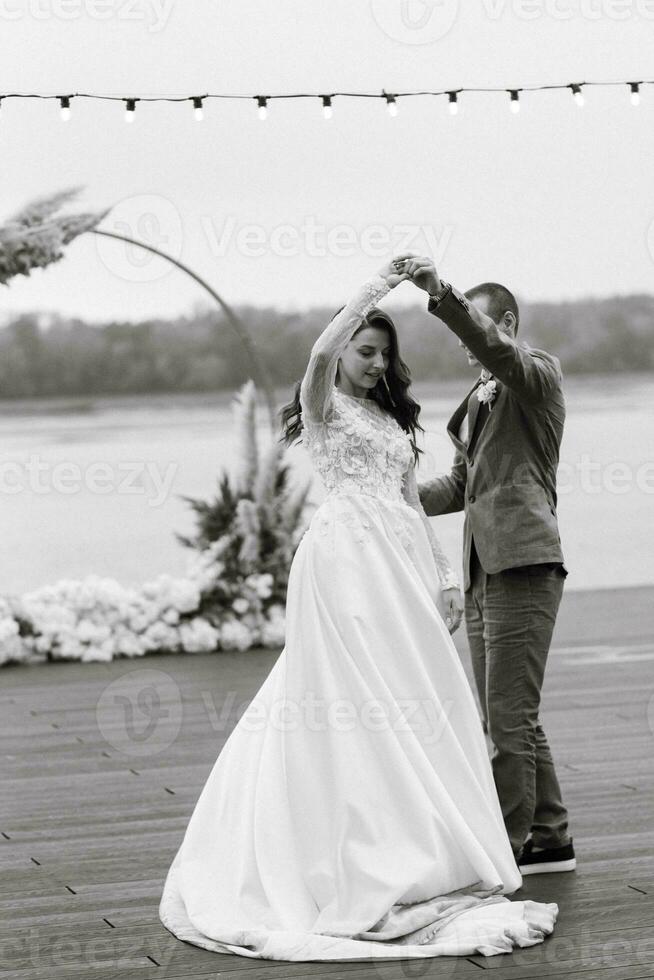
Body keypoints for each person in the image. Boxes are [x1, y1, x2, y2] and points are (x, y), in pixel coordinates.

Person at [158, 259, 558, 962]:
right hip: (344, 562)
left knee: (423, 697)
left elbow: (409, 502)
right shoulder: (323, 403)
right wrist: (376, 288)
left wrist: (442, 579)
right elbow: (317, 354)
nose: (375, 364)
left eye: (383, 354)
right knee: (352, 696)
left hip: (400, 565)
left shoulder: (401, 415)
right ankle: (358, 845)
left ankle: (457, 838)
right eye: (365, 352)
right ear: (342, 351)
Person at [395, 253, 575, 875]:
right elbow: (464, 485)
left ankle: (504, 849)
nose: (470, 342)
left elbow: (499, 353)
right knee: (511, 715)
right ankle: (551, 838)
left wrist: (439, 294)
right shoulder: (479, 400)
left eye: (478, 321)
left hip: (524, 562)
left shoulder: (537, 376)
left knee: (507, 722)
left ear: (507, 320)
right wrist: (398, 497)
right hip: (481, 570)